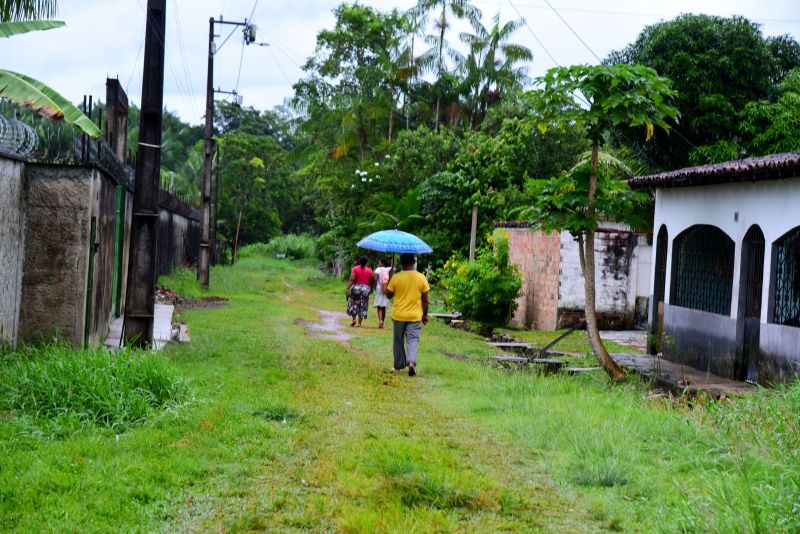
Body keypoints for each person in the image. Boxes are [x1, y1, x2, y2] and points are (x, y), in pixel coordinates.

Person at [386, 253, 429, 376]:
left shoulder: (396, 277)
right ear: (414, 262)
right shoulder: (421, 278)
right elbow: (425, 299)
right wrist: (425, 315)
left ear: (401, 263)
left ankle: (398, 366)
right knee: (413, 340)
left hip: (399, 315)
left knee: (398, 340)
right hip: (415, 316)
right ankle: (411, 362)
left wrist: (390, 277)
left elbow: (388, 295)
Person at [346, 256, 374, 327]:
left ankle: (354, 319)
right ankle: (359, 323)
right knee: (363, 305)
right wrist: (371, 288)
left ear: (359, 261)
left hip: (356, 289)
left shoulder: (355, 269)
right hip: (365, 289)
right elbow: (372, 281)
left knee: (354, 304)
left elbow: (352, 279)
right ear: (366, 262)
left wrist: (347, 288)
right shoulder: (369, 270)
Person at [372, 258, 392, 329]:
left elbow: (374, 279)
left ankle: (380, 320)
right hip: (386, 288)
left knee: (379, 306)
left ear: (382, 263)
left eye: (379, 262)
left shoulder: (378, 269)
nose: (379, 263)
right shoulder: (389, 269)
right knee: (384, 306)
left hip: (379, 288)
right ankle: (382, 322)